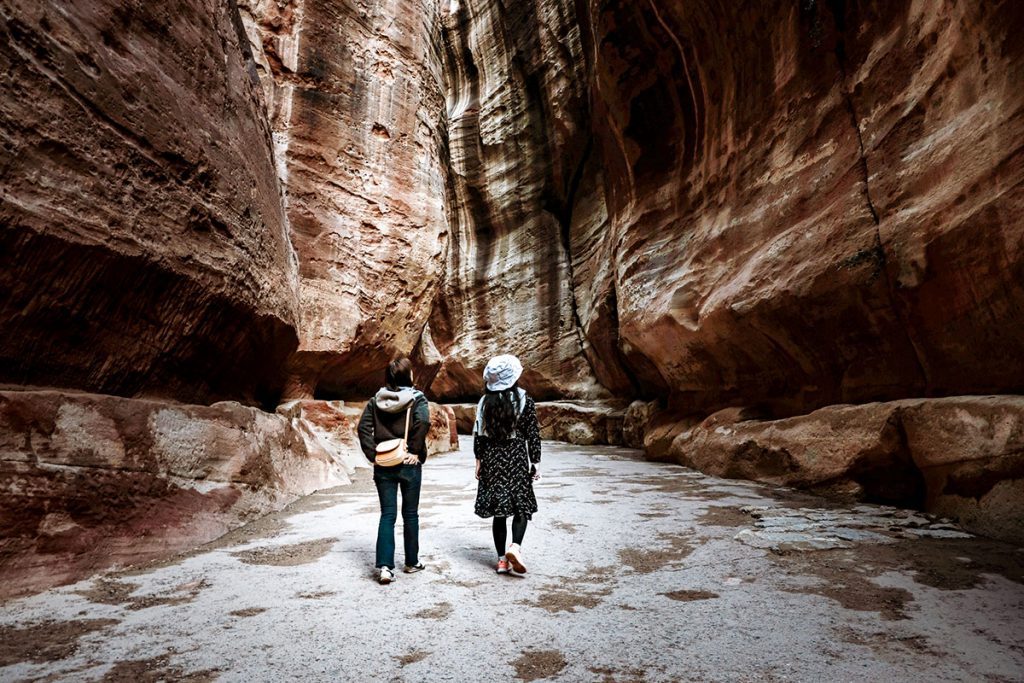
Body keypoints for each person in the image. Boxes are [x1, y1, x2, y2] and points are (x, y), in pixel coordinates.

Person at [358, 357, 431, 585]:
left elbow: (363, 429)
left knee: (387, 515)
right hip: (409, 462)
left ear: (388, 378)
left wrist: (374, 455)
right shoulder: (417, 399)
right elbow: (423, 422)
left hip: (384, 464)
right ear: (409, 376)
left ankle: (386, 568)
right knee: (410, 514)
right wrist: (416, 452)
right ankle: (411, 562)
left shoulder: (375, 401)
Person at [473, 354, 541, 574]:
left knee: (499, 511)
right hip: (516, 458)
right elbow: (533, 434)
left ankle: (502, 560)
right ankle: (515, 546)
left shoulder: (484, 402)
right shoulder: (524, 400)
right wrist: (536, 461)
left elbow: (479, 434)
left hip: (492, 459)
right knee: (521, 505)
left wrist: (478, 460)